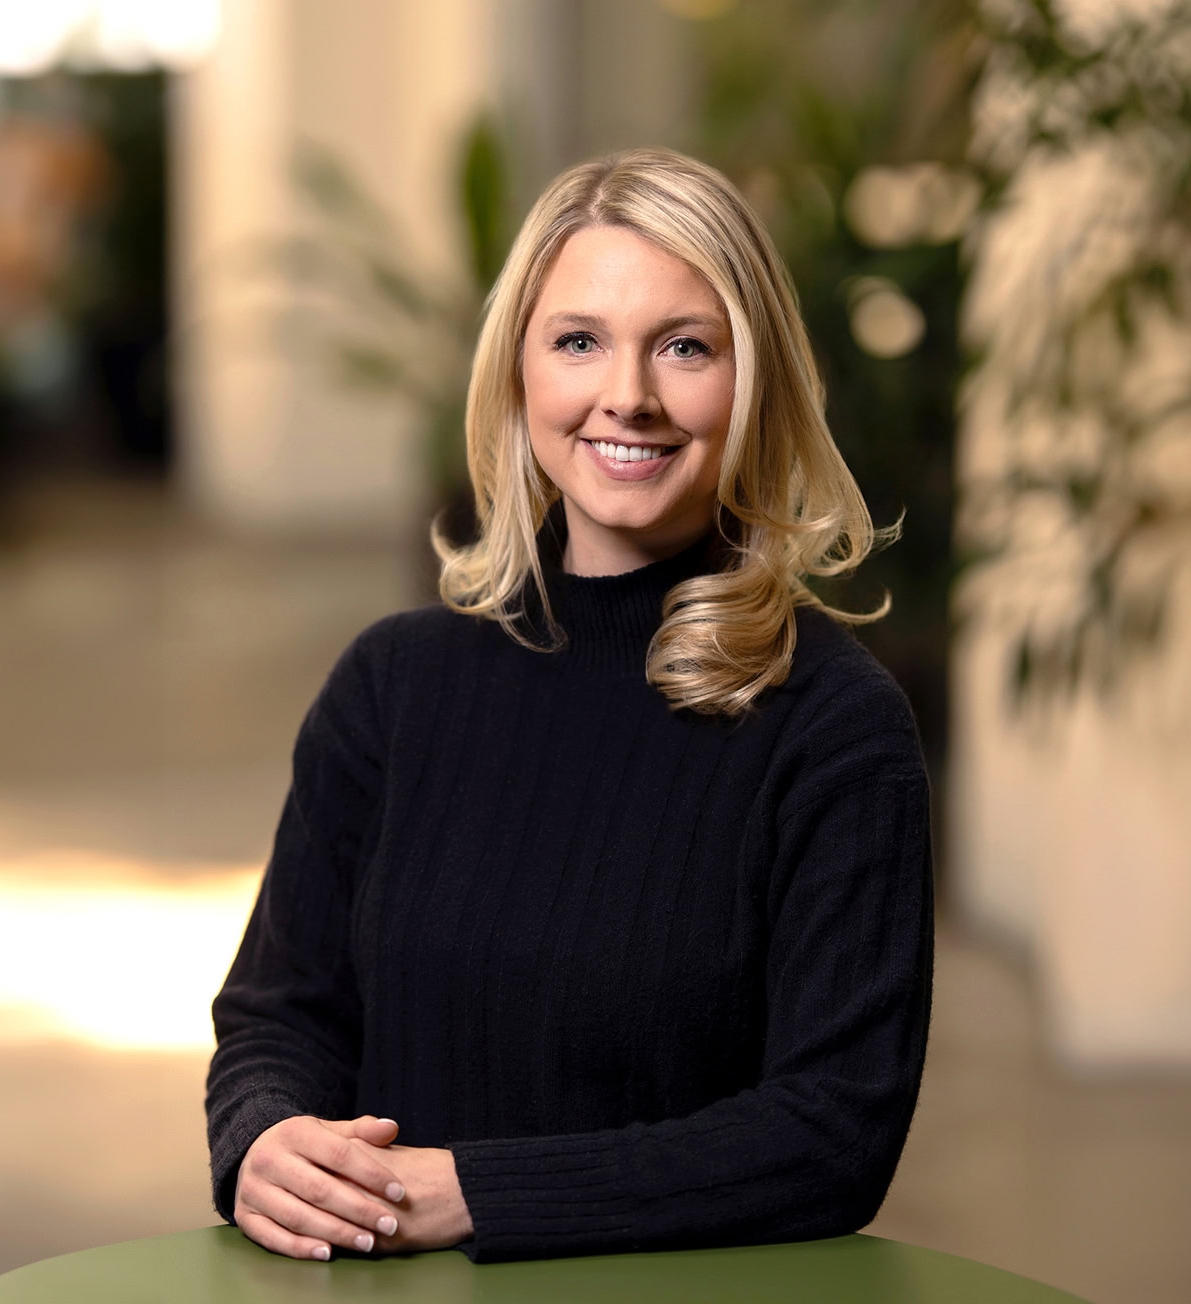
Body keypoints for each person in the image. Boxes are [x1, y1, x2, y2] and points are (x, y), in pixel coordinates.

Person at [205, 146, 934, 1265]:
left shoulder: (835, 726)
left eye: (685, 347)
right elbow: (280, 1012)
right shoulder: (393, 687)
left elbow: (834, 1130)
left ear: (758, 386)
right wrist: (267, 1136)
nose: (626, 395)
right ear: (519, 376)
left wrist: (478, 1192)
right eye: (579, 340)